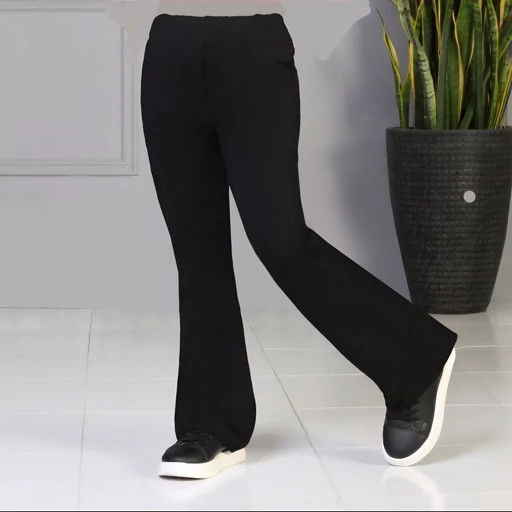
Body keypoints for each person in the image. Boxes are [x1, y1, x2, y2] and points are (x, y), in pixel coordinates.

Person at [108, 0, 458, 479]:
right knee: (197, 256)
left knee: (281, 240)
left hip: (253, 53)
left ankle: (415, 362)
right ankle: (212, 426)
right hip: (168, 52)